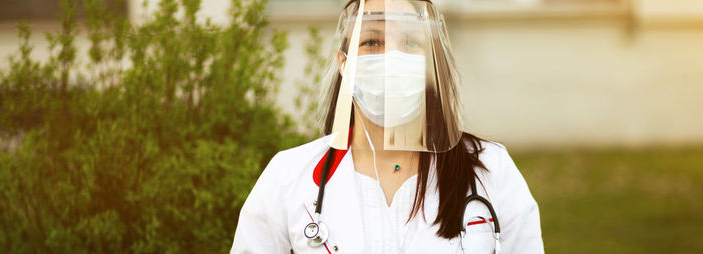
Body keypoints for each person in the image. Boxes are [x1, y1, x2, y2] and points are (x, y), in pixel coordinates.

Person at [231, 0, 543, 253]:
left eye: (410, 41)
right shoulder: (289, 177)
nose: (391, 57)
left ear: (433, 65)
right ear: (345, 64)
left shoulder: (491, 170)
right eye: (371, 41)